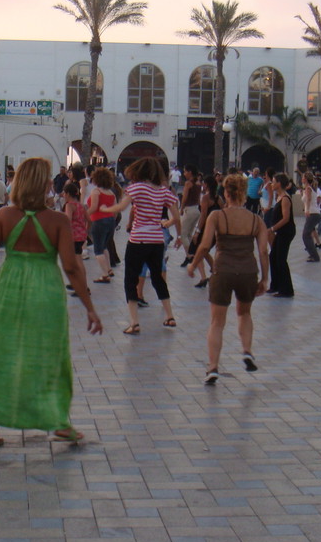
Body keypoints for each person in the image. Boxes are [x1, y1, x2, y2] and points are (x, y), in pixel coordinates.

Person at [0, 157, 102, 446]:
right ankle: (59, 420)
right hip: (45, 292)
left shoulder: (5, 216)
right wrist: (89, 307)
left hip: (8, 290)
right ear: (42, 185)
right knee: (49, 355)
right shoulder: (58, 220)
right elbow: (71, 267)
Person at [189, 174, 269, 384]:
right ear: (244, 193)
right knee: (244, 313)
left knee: (217, 322)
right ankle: (247, 350)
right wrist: (265, 278)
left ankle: (213, 366)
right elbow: (263, 252)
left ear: (225, 193)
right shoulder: (256, 220)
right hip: (247, 272)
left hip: (222, 270)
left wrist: (192, 264)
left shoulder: (217, 216)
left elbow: (205, 246)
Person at [99, 158, 181, 335]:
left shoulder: (135, 188)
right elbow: (176, 216)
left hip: (138, 240)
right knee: (158, 278)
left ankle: (134, 322)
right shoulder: (163, 191)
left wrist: (104, 209)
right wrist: (165, 223)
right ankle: (170, 316)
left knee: (130, 279)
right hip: (157, 240)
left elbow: (121, 207)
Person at [266, 173, 295, 297]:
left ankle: (286, 290)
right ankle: (275, 285)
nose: (272, 184)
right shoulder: (279, 196)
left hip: (286, 231)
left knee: (280, 259)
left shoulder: (285, 199)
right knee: (273, 256)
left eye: (273, 181)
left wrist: (272, 229)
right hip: (281, 231)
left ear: (279, 183)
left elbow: (286, 218)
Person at [87, 167, 117, 283]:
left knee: (98, 249)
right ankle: (109, 269)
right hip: (110, 221)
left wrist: (84, 214)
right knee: (104, 246)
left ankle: (105, 275)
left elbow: (94, 207)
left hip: (99, 221)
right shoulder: (111, 193)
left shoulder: (96, 191)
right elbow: (115, 210)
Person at [300, 173, 321, 262]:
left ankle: (314, 255)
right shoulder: (308, 189)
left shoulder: (308, 189)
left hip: (313, 213)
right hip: (313, 213)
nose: (302, 179)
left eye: (303, 178)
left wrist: (307, 210)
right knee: (308, 234)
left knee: (305, 235)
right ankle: (313, 254)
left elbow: (308, 199)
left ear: (306, 179)